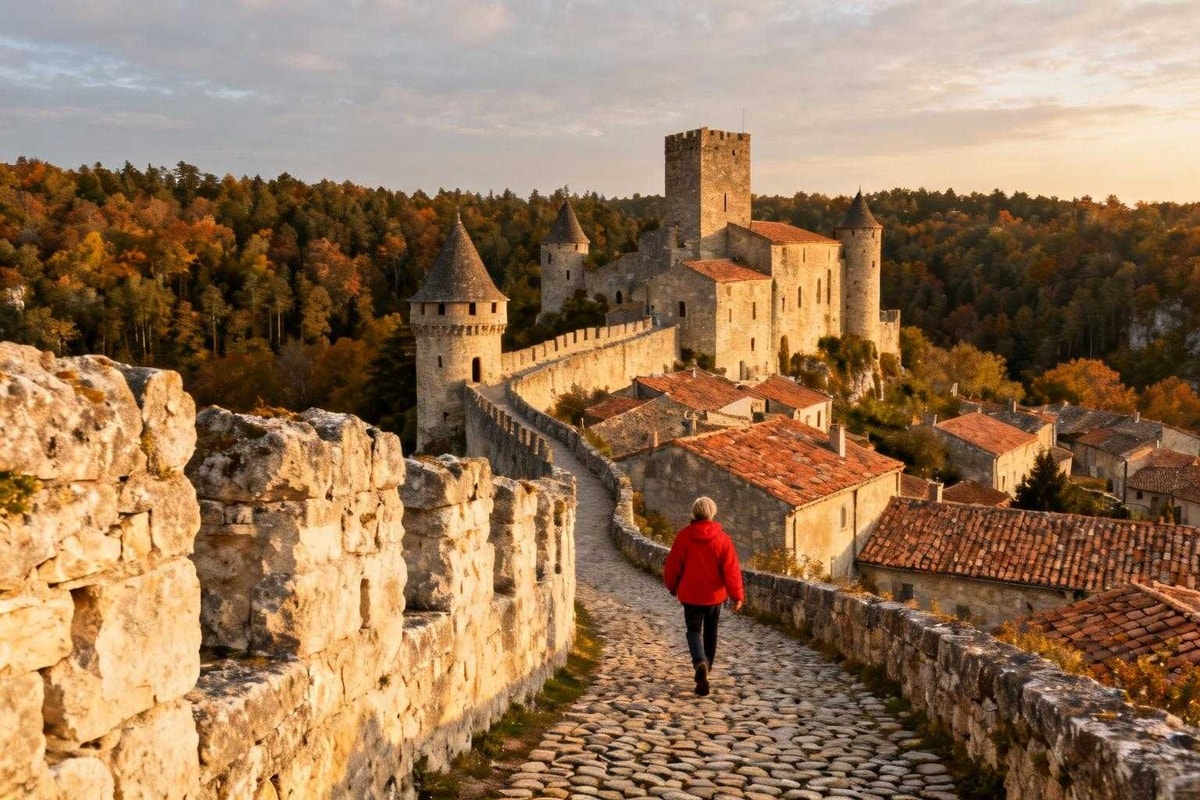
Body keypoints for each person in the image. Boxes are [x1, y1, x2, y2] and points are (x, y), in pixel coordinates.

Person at [662, 496, 744, 696]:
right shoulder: (723, 539)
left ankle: (699, 661)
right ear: (712, 513)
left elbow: (673, 566)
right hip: (715, 596)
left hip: (691, 595)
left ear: (694, 512)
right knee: (711, 632)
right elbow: (731, 570)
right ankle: (707, 666)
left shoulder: (684, 536)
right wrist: (737, 595)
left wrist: (672, 587)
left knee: (693, 631)